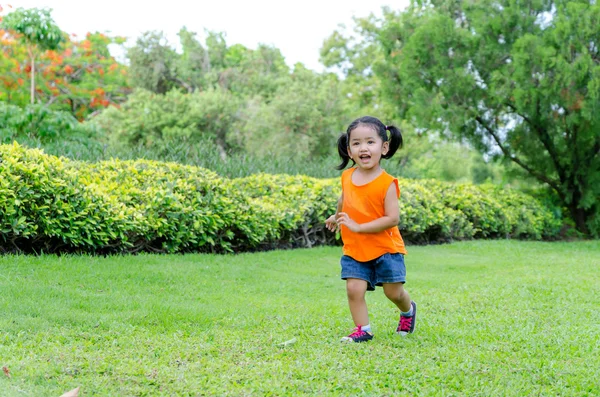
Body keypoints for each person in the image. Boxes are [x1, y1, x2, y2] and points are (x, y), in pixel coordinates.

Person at [325, 116, 416, 342]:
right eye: (356, 143)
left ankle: (408, 311)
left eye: (370, 142)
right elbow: (344, 199)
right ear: (349, 150)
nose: (363, 148)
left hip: (386, 249)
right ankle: (363, 330)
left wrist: (359, 226)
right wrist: (336, 217)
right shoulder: (347, 176)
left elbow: (392, 218)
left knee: (393, 292)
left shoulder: (387, 183)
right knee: (354, 289)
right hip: (355, 247)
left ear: (384, 147)